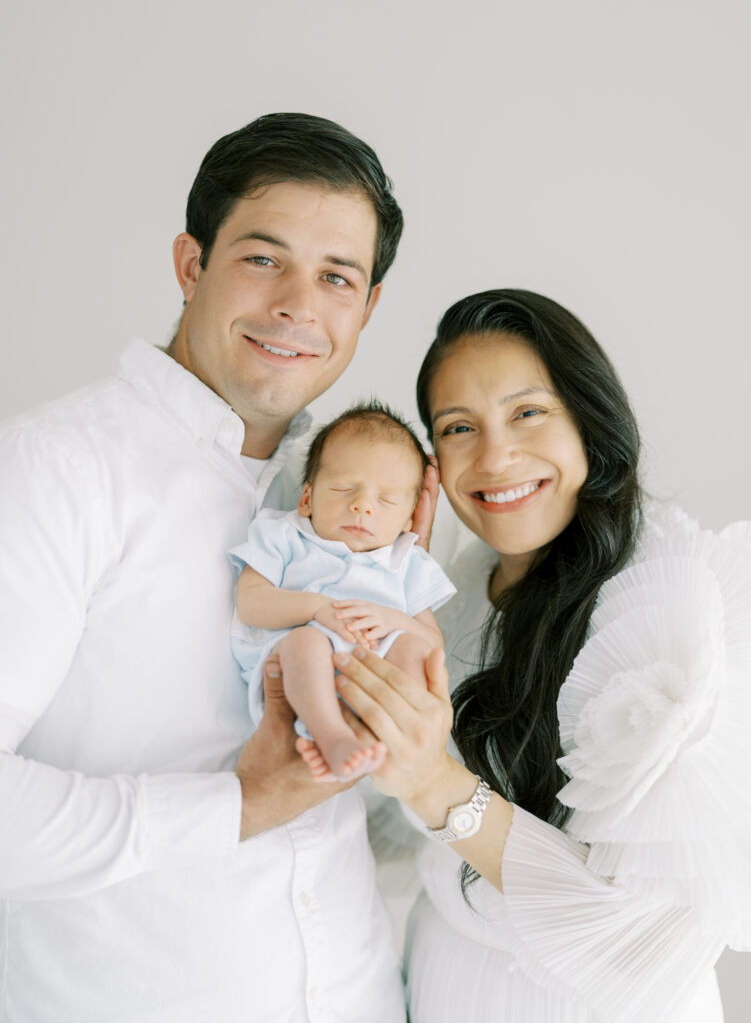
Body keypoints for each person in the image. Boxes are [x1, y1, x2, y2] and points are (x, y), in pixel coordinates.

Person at [0, 113, 414, 1021]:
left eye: (336, 276)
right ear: (191, 265)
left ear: (367, 308)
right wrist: (235, 805)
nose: (299, 307)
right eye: (263, 259)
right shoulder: (53, 469)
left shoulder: (361, 502)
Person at [331, 289, 751, 1021]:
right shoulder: (460, 588)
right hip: (439, 987)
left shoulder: (660, 614)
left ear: (587, 416)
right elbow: (395, 837)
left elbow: (637, 949)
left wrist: (435, 780)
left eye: (527, 412)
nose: (495, 457)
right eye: (458, 427)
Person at [231, 402, 455, 781]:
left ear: (407, 519)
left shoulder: (407, 562)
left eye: (386, 500)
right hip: (295, 671)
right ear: (306, 499)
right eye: (343, 489)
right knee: (307, 644)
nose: (362, 506)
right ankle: (333, 736)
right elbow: (249, 603)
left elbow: (434, 642)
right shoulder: (286, 536)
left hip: (374, 677)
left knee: (414, 650)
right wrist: (316, 608)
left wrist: (395, 620)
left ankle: (377, 737)